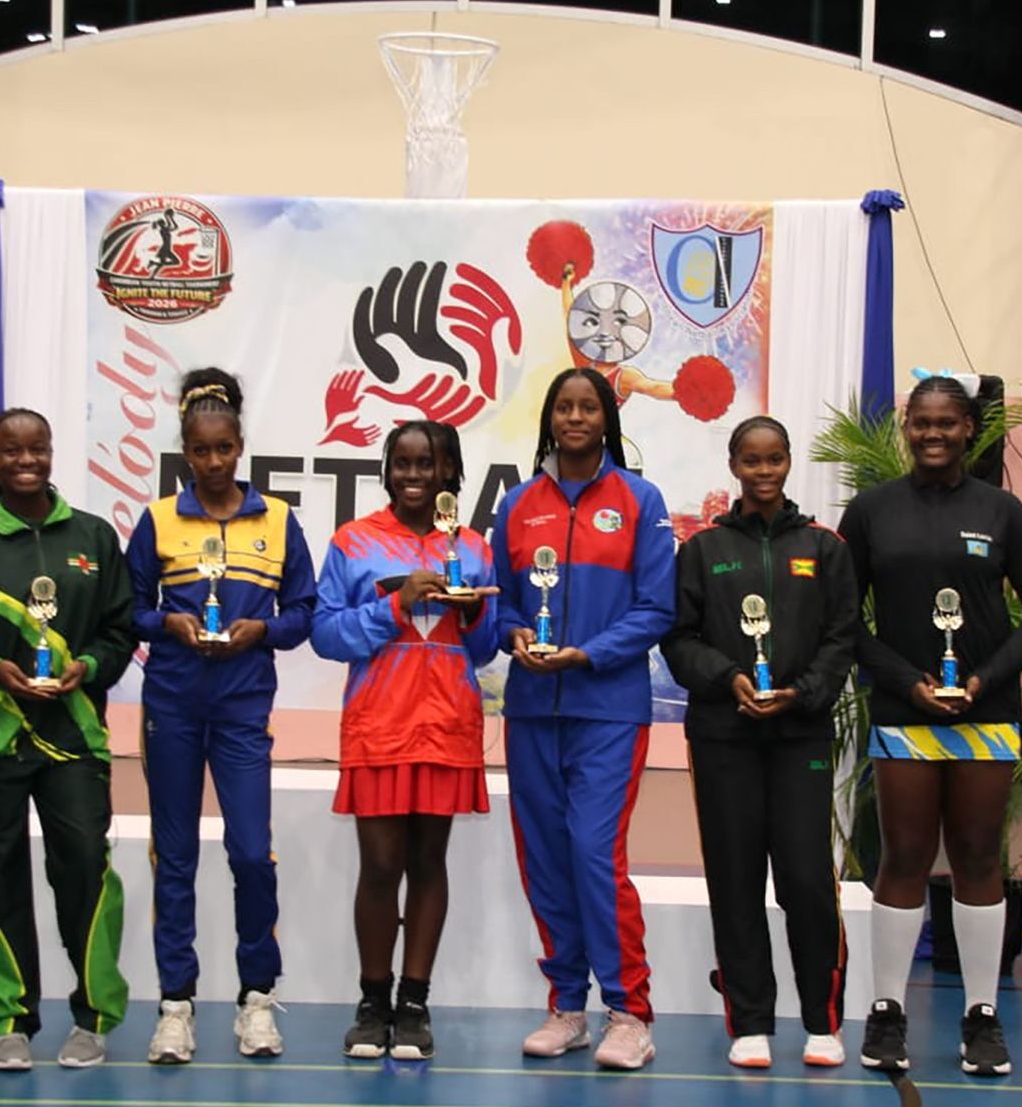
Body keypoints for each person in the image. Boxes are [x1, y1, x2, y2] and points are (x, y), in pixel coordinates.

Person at [837, 374, 1022, 1077]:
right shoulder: (871, 511)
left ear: (969, 429)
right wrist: (905, 681)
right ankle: (886, 1013)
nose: (932, 433)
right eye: (921, 422)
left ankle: (982, 1017)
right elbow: (842, 619)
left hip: (983, 713)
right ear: (907, 428)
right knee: (903, 856)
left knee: (977, 856)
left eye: (946, 422)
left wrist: (984, 680)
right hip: (905, 710)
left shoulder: (1002, 512)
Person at [0, 407, 138, 1072]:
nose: (27, 461)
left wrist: (90, 666)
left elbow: (120, 630)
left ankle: (94, 1017)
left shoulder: (94, 538)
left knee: (85, 866)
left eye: (37, 448)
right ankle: (7, 1021)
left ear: (51, 452)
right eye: (12, 451)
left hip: (71, 736)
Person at [127, 368, 318, 1064]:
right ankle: (175, 1006)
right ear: (185, 453)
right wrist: (168, 624)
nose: (213, 462)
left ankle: (256, 999)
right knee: (174, 858)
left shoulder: (278, 520)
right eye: (201, 451)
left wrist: (261, 631)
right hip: (172, 706)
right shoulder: (158, 520)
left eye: (225, 449)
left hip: (242, 709)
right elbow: (130, 610)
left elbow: (304, 612)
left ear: (241, 447)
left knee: (250, 854)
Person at [489, 367, 676, 1070]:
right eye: (563, 407)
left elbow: (657, 609)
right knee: (544, 858)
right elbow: (501, 603)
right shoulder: (517, 504)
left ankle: (629, 1013)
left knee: (595, 853)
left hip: (608, 709)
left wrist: (588, 654)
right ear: (549, 418)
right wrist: (514, 634)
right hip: (532, 708)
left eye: (587, 407)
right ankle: (567, 1006)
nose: (574, 418)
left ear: (606, 419)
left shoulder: (640, 501)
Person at [662, 415, 859, 1070]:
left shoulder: (824, 547)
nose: (764, 471)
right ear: (734, 466)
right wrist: (730, 679)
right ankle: (749, 1022)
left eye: (774, 459)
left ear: (789, 461)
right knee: (735, 878)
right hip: (724, 735)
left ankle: (822, 1021)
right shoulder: (702, 550)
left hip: (801, 734)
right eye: (752, 460)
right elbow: (679, 639)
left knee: (806, 878)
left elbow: (842, 637)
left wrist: (802, 692)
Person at [312, 421, 497, 1061]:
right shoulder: (353, 541)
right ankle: (373, 1001)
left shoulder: (473, 548)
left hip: (447, 724)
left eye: (429, 464)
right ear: (387, 471)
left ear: (450, 472)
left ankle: (414, 1004)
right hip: (379, 723)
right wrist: (394, 606)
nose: (415, 475)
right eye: (403, 463)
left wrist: (474, 612)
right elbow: (326, 634)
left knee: (428, 862)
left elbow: (485, 647)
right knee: (380, 864)